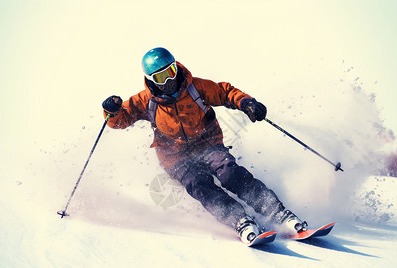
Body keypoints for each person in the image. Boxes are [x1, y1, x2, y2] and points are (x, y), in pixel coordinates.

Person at [102, 47, 307, 243]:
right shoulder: (145, 101)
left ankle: (278, 213)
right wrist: (112, 111)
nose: (169, 81)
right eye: (161, 77)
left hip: (207, 144)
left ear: (176, 66)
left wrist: (246, 103)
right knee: (200, 185)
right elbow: (121, 119)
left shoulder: (194, 88)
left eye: (171, 72)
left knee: (229, 173)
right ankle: (240, 221)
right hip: (175, 158)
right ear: (150, 80)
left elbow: (225, 92)